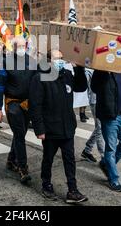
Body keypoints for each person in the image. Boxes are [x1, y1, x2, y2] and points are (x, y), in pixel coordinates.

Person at [29, 50, 88, 204]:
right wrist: (39, 129)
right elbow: (35, 105)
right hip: (50, 129)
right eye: (57, 58)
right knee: (48, 158)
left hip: (67, 127)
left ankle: (72, 190)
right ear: (49, 61)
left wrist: (79, 68)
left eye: (62, 58)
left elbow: (81, 87)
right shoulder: (39, 78)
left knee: (70, 159)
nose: (60, 61)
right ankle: (46, 185)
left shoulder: (67, 75)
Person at [0, 37, 38, 184]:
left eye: (23, 46)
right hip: (12, 104)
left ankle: (11, 160)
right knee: (20, 135)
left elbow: (38, 81)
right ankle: (23, 168)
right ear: (13, 47)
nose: (21, 48)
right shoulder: (6, 62)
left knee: (21, 132)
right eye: (18, 46)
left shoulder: (32, 61)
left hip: (27, 104)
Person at [91, 67, 121, 192]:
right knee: (111, 148)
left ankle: (106, 163)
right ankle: (113, 179)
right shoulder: (101, 70)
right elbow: (94, 88)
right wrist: (103, 72)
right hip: (110, 117)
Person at [81, 68, 105, 163]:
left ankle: (87, 150)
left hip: (102, 99)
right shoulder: (88, 69)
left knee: (99, 127)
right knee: (99, 127)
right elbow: (83, 83)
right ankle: (104, 156)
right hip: (95, 101)